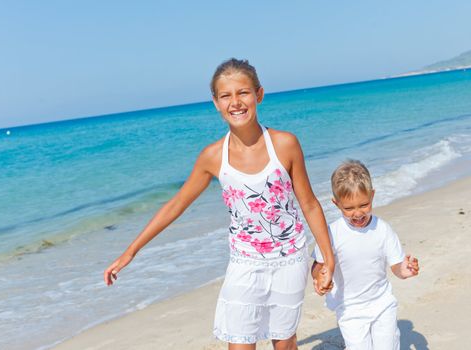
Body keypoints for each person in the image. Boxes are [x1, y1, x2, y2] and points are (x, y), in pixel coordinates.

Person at [104, 58, 335, 350]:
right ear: (215, 102)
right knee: (239, 343)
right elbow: (176, 205)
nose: (235, 102)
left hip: (290, 259)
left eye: (243, 92)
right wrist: (130, 252)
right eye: (226, 95)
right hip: (245, 263)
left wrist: (328, 256)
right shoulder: (213, 157)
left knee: (285, 341)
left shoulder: (285, 144)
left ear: (259, 95)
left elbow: (309, 204)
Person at [311, 160, 420, 350]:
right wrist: (319, 278)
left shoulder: (383, 229)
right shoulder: (331, 233)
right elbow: (318, 265)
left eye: (364, 204)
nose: (358, 213)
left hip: (382, 302)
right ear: (336, 204)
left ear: (373, 195)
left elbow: (396, 265)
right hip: (349, 308)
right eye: (349, 208)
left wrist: (405, 269)